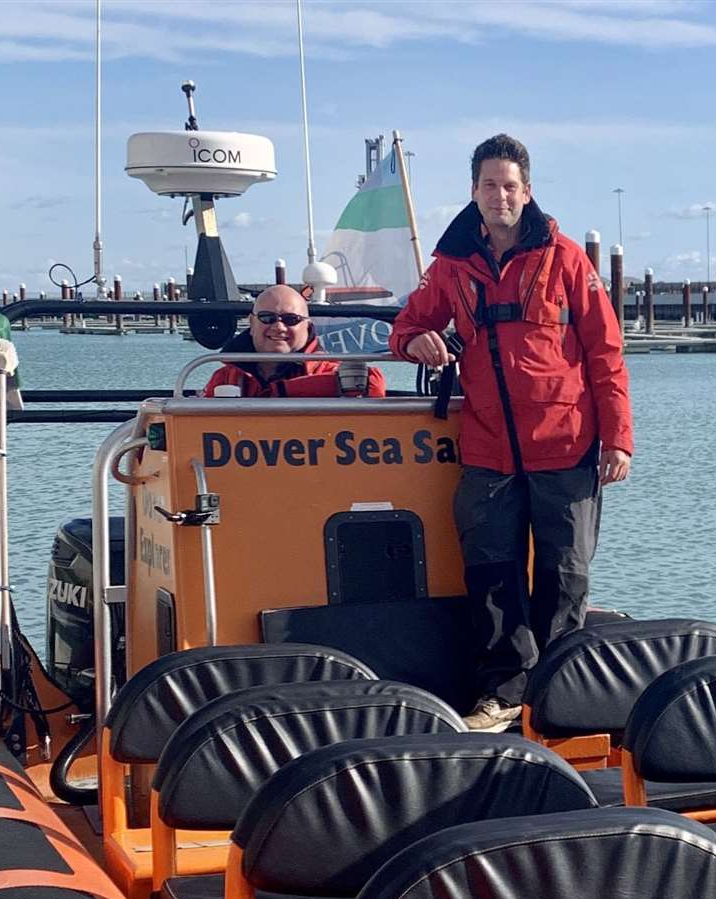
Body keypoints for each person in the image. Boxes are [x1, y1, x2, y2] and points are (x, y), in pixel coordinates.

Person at [391, 134, 633, 731]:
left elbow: (606, 353)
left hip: (567, 446)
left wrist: (618, 438)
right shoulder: (450, 266)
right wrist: (415, 342)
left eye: (510, 186)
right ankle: (501, 695)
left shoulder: (567, 259)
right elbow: (405, 328)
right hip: (489, 450)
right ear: (473, 191)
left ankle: (559, 697)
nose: (500, 195)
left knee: (564, 576)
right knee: (492, 574)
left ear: (527, 193)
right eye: (489, 185)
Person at [203, 284, 386, 398]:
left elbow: (373, 384)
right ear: (252, 323)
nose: (279, 327)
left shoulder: (330, 372)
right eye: (267, 318)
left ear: (307, 326)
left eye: (291, 319)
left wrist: (280, 392)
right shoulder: (225, 377)